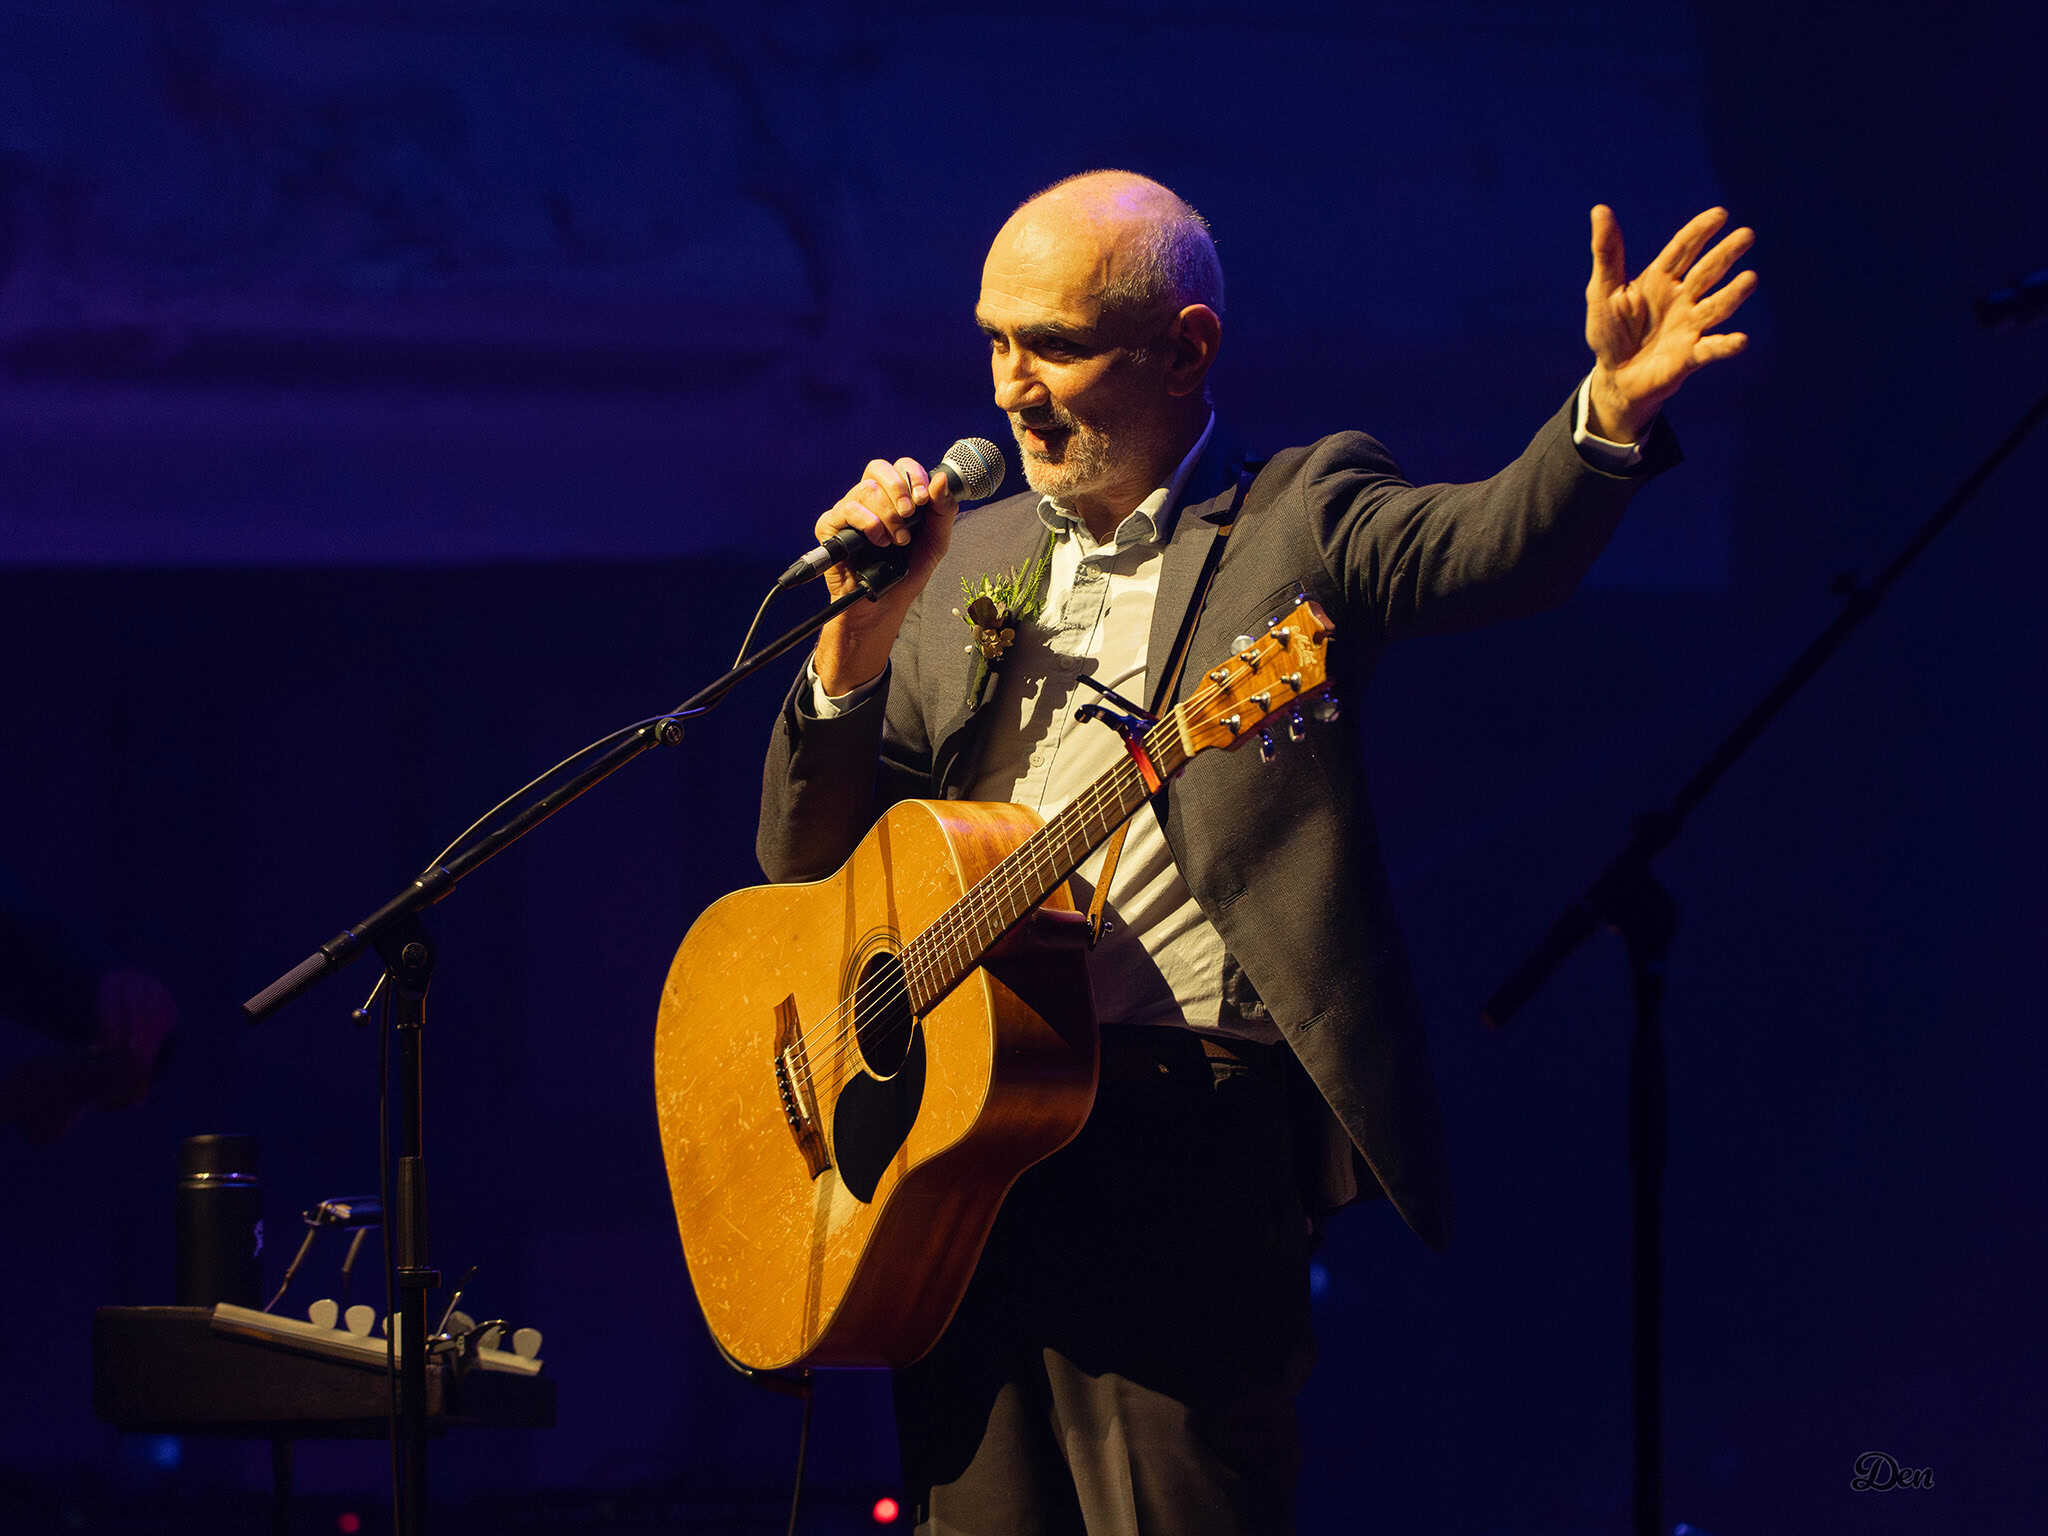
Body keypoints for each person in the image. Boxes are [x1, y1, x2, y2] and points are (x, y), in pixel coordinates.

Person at [757, 169, 1754, 1533]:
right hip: (965, 1154)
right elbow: (805, 867)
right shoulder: (952, 563)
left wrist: (1608, 418)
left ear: (1186, 349)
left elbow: (1492, 548)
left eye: (1052, 345)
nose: (1010, 388)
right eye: (993, 341)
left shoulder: (1300, 514)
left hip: (1185, 1146)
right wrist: (853, 642)